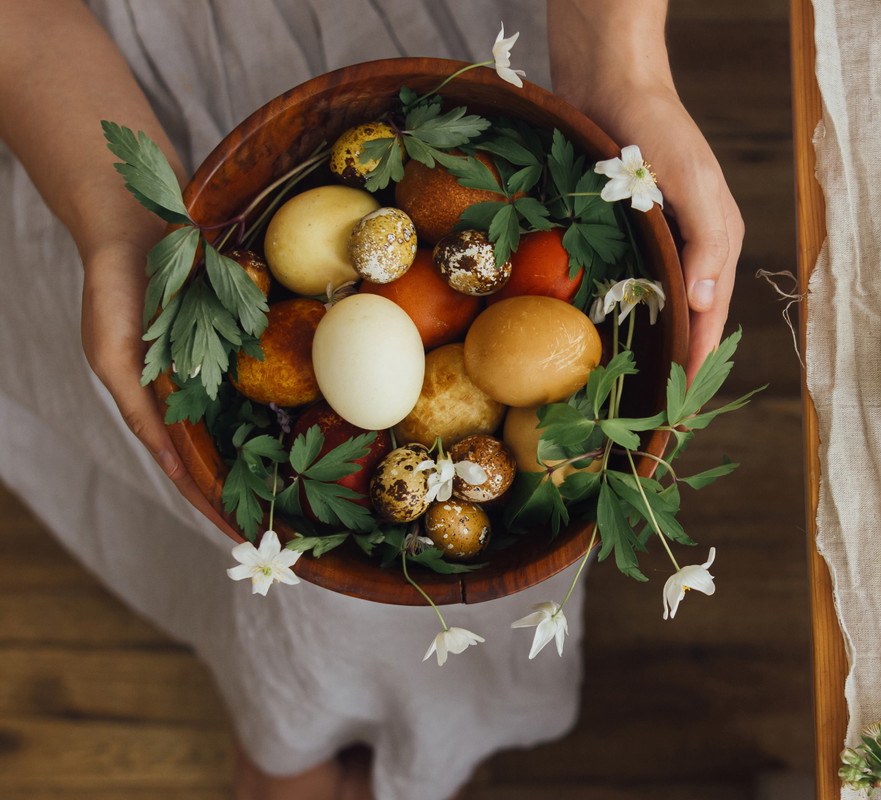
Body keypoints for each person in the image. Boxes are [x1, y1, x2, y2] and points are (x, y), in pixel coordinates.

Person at [0, 1, 741, 798]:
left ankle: (391, 733)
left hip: (456, 68)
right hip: (105, 95)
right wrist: (115, 225)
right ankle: (286, 734)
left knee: (422, 586)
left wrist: (617, 63)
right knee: (263, 536)